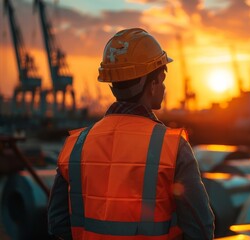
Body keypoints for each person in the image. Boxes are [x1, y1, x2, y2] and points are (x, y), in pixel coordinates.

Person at [47, 28, 215, 240]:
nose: (163, 86)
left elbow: (58, 223)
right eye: (162, 78)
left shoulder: (76, 145)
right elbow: (200, 230)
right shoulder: (171, 147)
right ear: (152, 84)